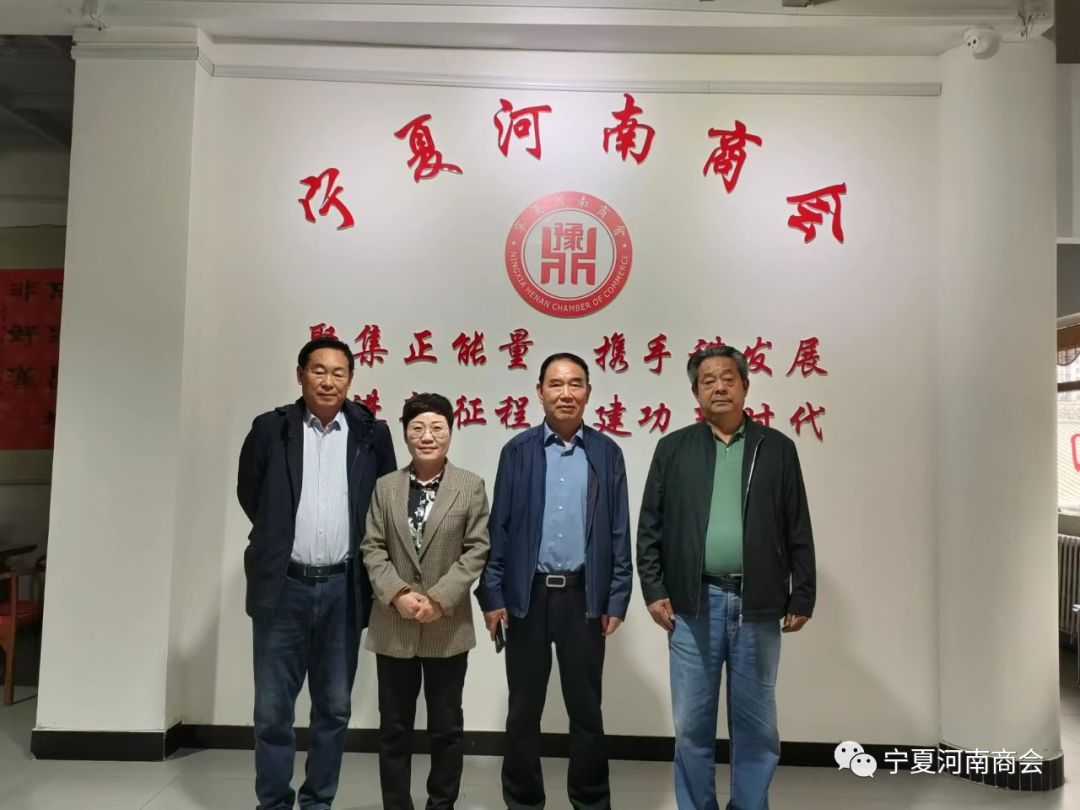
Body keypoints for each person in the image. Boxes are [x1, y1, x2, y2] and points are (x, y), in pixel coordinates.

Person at [637, 344, 816, 810]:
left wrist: (802, 594)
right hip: (693, 604)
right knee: (691, 726)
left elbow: (797, 525)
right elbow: (650, 526)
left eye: (728, 378)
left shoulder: (776, 448)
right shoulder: (673, 448)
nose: (718, 387)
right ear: (695, 392)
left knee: (757, 726)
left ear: (745, 386)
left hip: (757, 605)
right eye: (708, 380)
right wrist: (654, 590)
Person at [237, 336, 397, 810]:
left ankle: (318, 802)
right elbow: (251, 494)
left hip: (344, 588)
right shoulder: (271, 428)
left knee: (334, 709)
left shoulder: (371, 433)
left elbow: (384, 502)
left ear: (351, 378)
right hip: (283, 587)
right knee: (272, 711)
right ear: (300, 375)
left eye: (338, 372)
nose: (328, 381)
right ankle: (273, 803)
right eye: (319, 370)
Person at [477, 352, 632, 810]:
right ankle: (524, 802)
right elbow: (499, 529)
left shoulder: (606, 452)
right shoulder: (518, 451)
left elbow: (619, 531)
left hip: (584, 596)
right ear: (540, 391)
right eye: (556, 384)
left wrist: (616, 597)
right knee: (524, 711)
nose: (566, 393)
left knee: (586, 711)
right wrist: (493, 595)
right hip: (527, 597)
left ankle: (591, 801)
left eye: (575, 383)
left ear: (588, 392)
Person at [361, 393, 491, 810]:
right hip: (393, 623)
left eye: (437, 427)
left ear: (451, 432)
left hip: (446, 626)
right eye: (417, 428)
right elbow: (372, 547)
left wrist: (439, 599)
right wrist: (398, 594)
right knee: (394, 729)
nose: (427, 436)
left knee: (446, 729)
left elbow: (477, 549)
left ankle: (441, 805)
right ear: (405, 434)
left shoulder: (470, 486)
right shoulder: (386, 487)